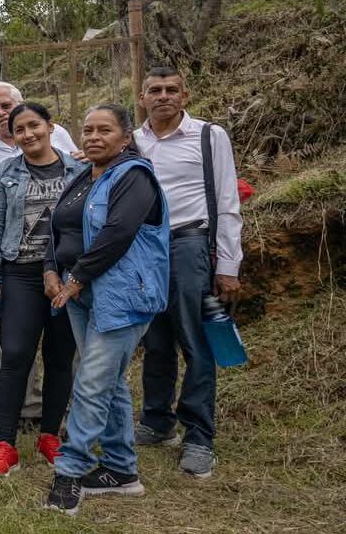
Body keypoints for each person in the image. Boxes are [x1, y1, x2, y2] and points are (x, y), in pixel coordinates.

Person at [42, 104, 170, 515]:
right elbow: (57, 227)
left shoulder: (135, 176)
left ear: (126, 137)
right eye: (88, 130)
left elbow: (118, 232)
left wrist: (76, 278)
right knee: (108, 382)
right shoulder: (84, 176)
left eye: (105, 130)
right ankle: (121, 470)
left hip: (122, 294)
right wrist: (51, 268)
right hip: (79, 293)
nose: (93, 137)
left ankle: (70, 470)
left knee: (92, 382)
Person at [134, 67, 243, 479]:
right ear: (142, 98)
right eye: (154, 90)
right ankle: (157, 421)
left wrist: (228, 265)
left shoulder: (209, 136)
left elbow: (227, 200)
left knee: (194, 340)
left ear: (185, 95)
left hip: (189, 243)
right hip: (145, 248)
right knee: (155, 339)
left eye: (171, 90)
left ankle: (199, 436)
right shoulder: (133, 141)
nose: (163, 96)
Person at [0, 103, 83, 474]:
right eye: (19, 129)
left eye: (34, 125)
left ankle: (49, 435)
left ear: (50, 126)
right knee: (16, 354)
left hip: (66, 277)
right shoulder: (5, 172)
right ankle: (5, 444)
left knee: (60, 357)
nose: (28, 134)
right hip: (20, 272)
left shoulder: (79, 171)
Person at [0, 82, 77, 168]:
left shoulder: (54, 132)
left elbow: (76, 164)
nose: (0, 113)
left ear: (22, 105)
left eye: (6, 106)